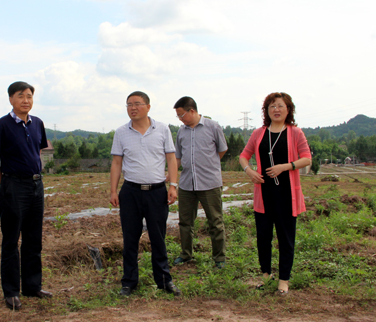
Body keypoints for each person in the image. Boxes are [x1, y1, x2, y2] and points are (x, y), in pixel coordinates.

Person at [0, 81, 52, 311]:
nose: (26, 100)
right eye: (21, 96)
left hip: (36, 185)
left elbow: (38, 151)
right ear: (11, 99)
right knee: (11, 240)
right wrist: (6, 184)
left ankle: (32, 286)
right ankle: (11, 292)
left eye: (29, 96)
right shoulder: (1, 125)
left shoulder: (38, 123)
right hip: (13, 186)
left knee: (34, 239)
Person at [110, 91, 181, 297]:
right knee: (130, 238)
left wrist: (173, 185)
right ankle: (129, 282)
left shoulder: (162, 129)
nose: (133, 108)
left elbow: (171, 158)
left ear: (148, 107)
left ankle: (164, 280)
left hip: (157, 192)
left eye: (137, 104)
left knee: (158, 238)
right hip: (130, 192)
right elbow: (116, 163)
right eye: (129, 105)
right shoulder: (121, 132)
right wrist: (113, 190)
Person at [239, 92, 311, 296]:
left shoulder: (295, 132)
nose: (276, 109)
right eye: (272, 106)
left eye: (280, 106)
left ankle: (283, 281)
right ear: (266, 111)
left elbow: (307, 159)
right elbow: (244, 156)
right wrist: (249, 171)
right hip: (264, 195)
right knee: (263, 238)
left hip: (287, 195)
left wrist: (285, 166)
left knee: (286, 239)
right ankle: (266, 276)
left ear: (288, 110)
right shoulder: (258, 133)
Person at [172, 97, 228, 268]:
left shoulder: (213, 126)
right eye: (178, 116)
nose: (180, 119)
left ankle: (219, 258)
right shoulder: (181, 132)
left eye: (181, 115)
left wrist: (209, 165)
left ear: (192, 111)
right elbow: (178, 157)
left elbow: (222, 150)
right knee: (185, 222)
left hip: (209, 183)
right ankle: (186, 254)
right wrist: (171, 174)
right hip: (187, 183)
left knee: (215, 221)